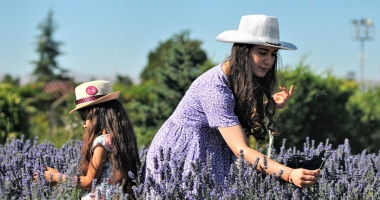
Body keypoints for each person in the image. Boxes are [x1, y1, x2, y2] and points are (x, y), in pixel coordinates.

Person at [145, 14, 320, 188]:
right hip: (181, 156)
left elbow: (236, 117)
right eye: (262, 52)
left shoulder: (239, 79)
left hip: (208, 154)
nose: (269, 61)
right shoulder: (214, 87)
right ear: (244, 51)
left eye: (274, 54)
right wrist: (288, 174)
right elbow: (241, 149)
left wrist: (270, 105)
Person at [40, 80, 140, 199]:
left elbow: (88, 182)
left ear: (98, 116)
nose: (84, 125)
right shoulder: (120, 140)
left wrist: (57, 177)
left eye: (85, 118)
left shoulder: (102, 142)